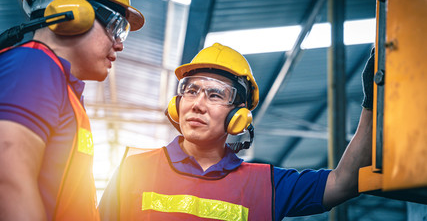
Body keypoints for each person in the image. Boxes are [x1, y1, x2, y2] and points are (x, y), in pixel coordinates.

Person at [99, 43, 374, 220]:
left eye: (215, 95)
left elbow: (344, 183)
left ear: (239, 114)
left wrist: (371, 103)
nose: (198, 104)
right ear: (177, 103)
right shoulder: (132, 170)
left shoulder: (266, 184)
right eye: (191, 90)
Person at [0, 0, 144, 220]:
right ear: (73, 13)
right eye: (116, 27)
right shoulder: (32, 65)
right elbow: (8, 182)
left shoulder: (59, 84)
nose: (119, 45)